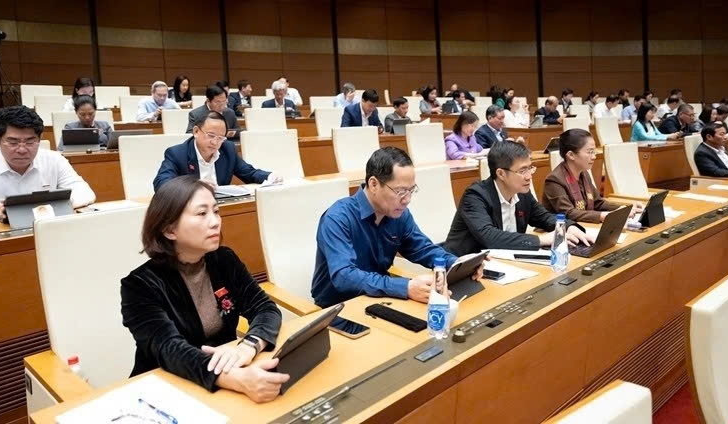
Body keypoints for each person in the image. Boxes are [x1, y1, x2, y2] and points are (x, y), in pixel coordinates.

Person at [121, 176, 288, 400]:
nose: (215, 221)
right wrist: (239, 381)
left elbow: (265, 309)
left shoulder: (224, 260)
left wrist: (247, 347)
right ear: (169, 230)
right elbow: (170, 349)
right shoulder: (139, 285)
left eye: (216, 211)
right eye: (202, 214)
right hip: (166, 389)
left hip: (226, 377)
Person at [311, 147, 484, 307]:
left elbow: (423, 249)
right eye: (400, 191)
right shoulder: (338, 218)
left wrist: (459, 265)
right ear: (373, 184)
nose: (407, 199)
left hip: (380, 299)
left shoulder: (399, 214)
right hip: (338, 308)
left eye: (411, 190)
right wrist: (405, 287)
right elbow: (344, 277)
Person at [443, 141, 592, 256]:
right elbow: (490, 237)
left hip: (505, 262)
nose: (529, 176)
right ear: (501, 173)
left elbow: (545, 217)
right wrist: (542, 239)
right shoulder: (476, 196)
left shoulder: (522, 193)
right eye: (522, 170)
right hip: (466, 268)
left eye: (530, 168)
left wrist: (568, 226)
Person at [0, 106, 95, 220]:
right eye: (13, 142)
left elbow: (85, 193)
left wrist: (41, 207)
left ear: (39, 139)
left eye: (30, 141)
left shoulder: (54, 159)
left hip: (48, 228)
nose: (22, 150)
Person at [153, 112, 281, 192]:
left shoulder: (227, 149)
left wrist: (270, 176)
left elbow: (249, 173)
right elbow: (161, 183)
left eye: (220, 138)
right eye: (211, 135)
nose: (215, 142)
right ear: (196, 131)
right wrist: (193, 185)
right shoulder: (177, 153)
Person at [542, 129, 641, 223]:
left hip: (584, 226)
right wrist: (603, 216)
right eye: (589, 152)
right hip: (561, 232)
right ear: (571, 155)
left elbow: (598, 203)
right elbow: (569, 213)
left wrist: (626, 207)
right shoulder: (554, 180)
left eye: (594, 152)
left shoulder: (583, 173)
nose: (594, 157)